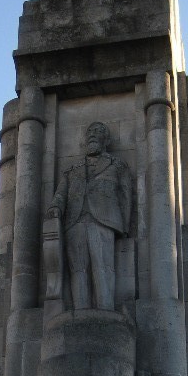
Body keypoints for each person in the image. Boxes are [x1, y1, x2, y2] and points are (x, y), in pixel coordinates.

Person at [46, 122, 132, 310]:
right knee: (78, 270)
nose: (93, 135)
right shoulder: (72, 169)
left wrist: (124, 225)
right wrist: (55, 208)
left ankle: (105, 310)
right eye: (90, 132)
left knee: (103, 268)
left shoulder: (117, 165)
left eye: (98, 132)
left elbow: (126, 195)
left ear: (106, 140)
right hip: (74, 221)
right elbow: (61, 194)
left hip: (104, 220)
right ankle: (81, 311)